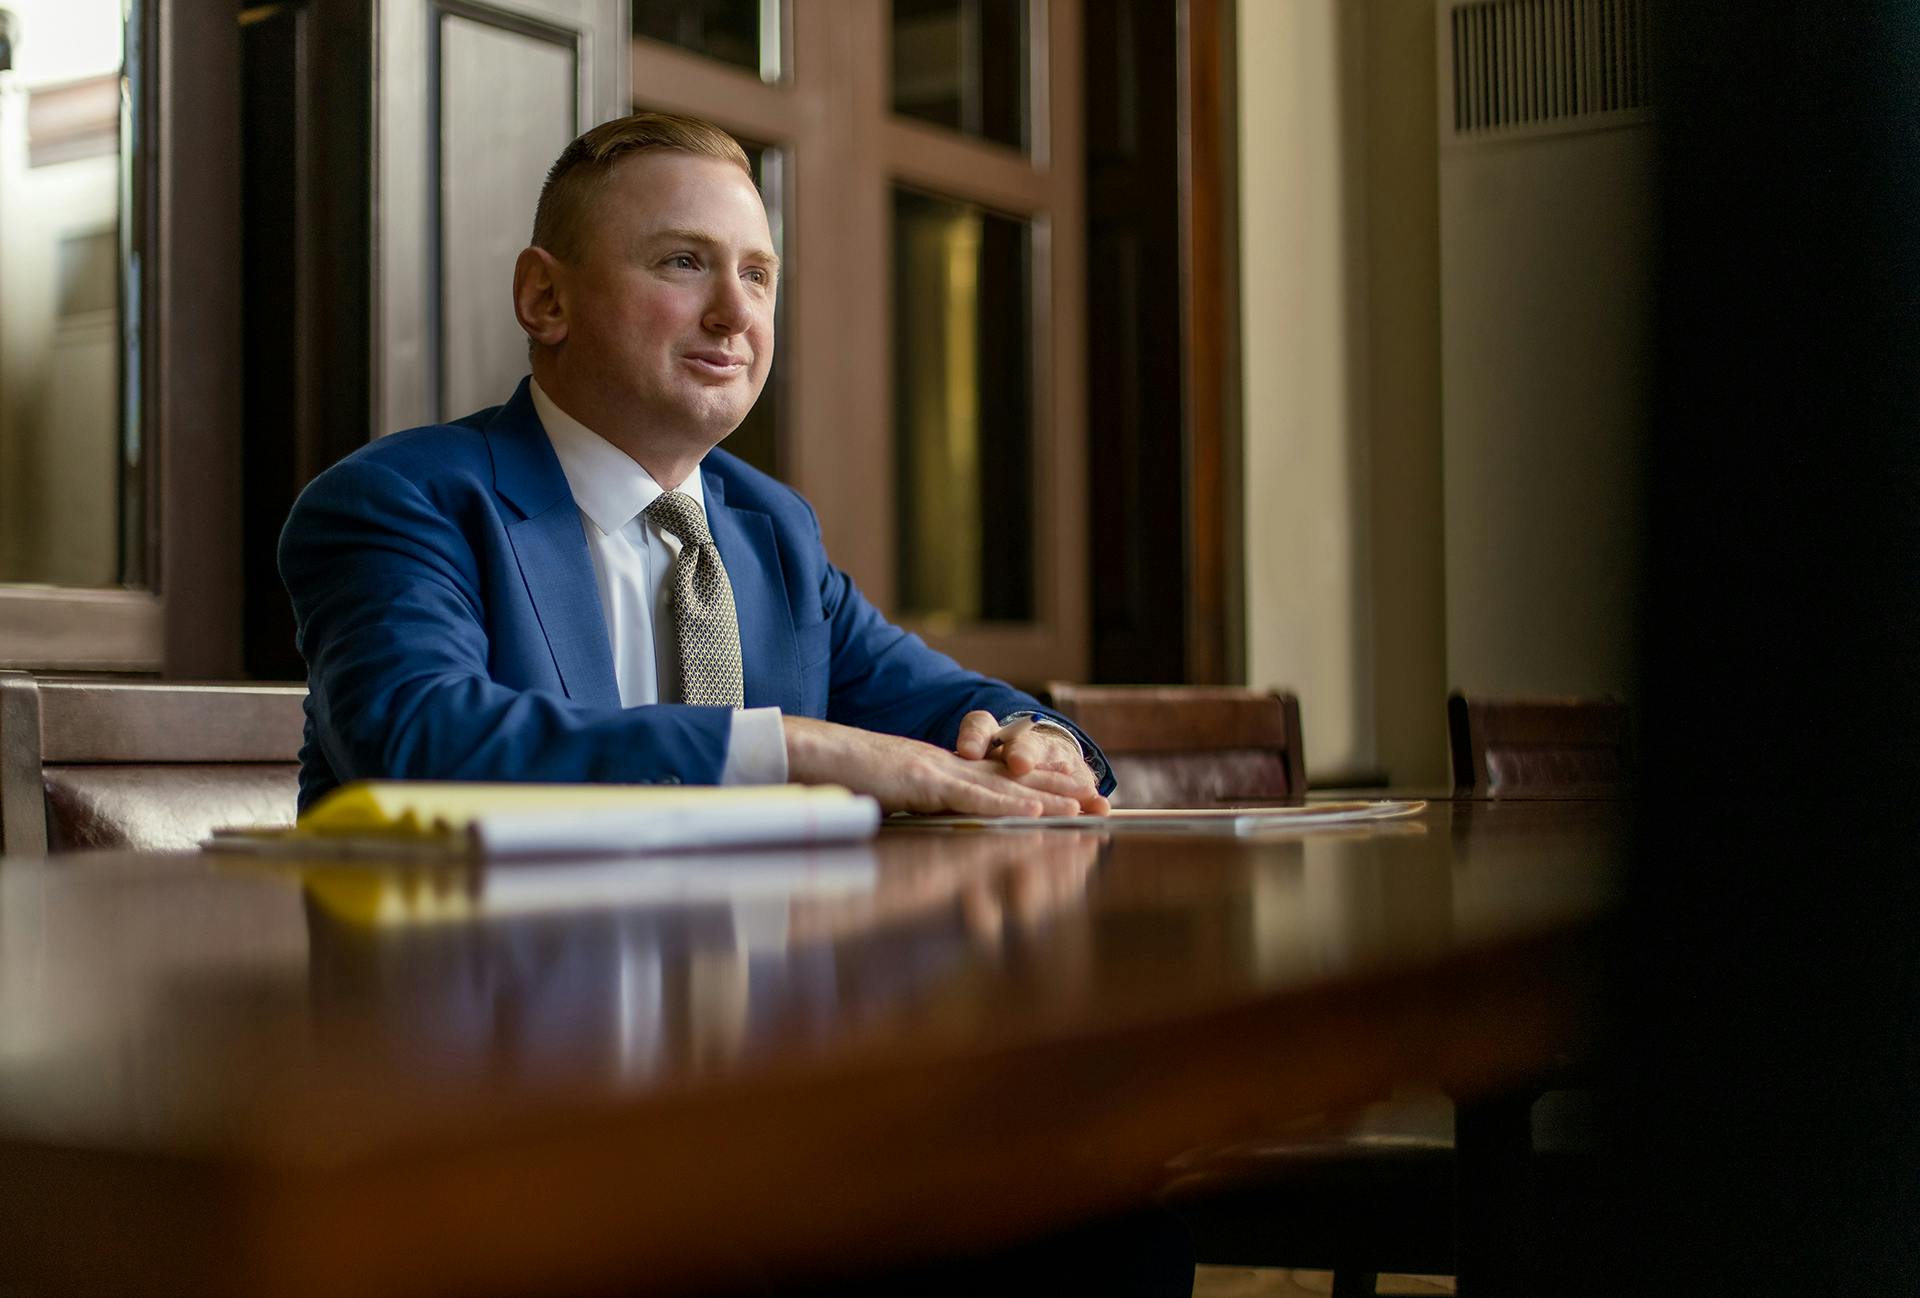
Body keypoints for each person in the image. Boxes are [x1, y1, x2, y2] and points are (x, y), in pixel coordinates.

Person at [278, 112, 1115, 818]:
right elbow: (423, 744)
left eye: (757, 274)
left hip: (759, 1003)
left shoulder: (773, 529)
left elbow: (948, 705)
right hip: (481, 999)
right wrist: (789, 747)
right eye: (684, 262)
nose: (735, 312)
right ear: (546, 299)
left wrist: (1026, 741)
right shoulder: (399, 503)